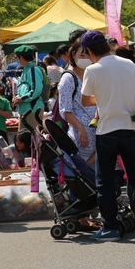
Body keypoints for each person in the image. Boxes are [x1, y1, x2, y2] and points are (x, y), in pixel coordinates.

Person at [79, 30, 135, 241]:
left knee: (104, 181)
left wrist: (105, 98)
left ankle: (111, 228)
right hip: (132, 129)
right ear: (107, 45)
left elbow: (86, 101)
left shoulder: (92, 70)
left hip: (107, 131)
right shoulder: (128, 64)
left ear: (88, 51)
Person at [58, 35, 97, 172]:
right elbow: (65, 110)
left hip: (96, 135)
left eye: (88, 54)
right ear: (73, 55)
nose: (85, 58)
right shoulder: (68, 78)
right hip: (80, 138)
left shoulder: (90, 74)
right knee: (82, 174)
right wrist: (80, 128)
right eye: (82, 54)